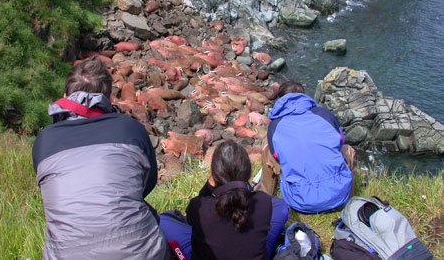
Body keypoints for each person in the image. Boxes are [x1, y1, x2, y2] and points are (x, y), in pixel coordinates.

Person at [32, 56, 170, 259]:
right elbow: (147, 185)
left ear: (65, 96)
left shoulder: (44, 140)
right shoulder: (129, 128)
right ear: (110, 98)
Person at [159, 140, 289, 260]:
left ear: (214, 175)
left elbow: (196, 209)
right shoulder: (263, 202)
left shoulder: (199, 207)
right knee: (280, 206)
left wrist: (209, 186)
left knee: (163, 219)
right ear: (248, 172)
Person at [255, 81, 354, 213]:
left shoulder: (276, 126)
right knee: (347, 149)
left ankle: (265, 193)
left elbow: (276, 156)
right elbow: (339, 141)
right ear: (304, 97)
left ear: (281, 99)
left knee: (268, 145)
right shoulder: (325, 114)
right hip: (339, 195)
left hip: (300, 199)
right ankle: (351, 198)